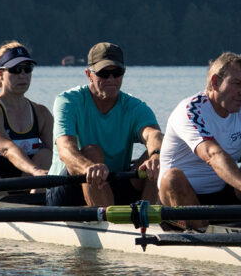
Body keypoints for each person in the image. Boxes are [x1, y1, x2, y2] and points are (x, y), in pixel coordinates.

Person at [158, 52, 241, 230]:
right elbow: (212, 154)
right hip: (181, 197)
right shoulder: (190, 111)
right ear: (215, 82)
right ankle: (202, 233)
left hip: (223, 192)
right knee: (172, 178)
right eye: (236, 84)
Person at [46, 42, 163, 207]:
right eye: (103, 74)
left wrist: (156, 156)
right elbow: (65, 150)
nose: (111, 79)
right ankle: (109, 221)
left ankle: (148, 218)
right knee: (92, 152)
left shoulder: (135, 107)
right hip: (68, 187)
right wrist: (89, 168)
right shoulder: (68, 101)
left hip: (112, 184)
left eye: (117, 73)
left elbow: (154, 135)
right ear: (89, 74)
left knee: (161, 153)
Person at [0, 42, 54, 202]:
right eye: (16, 70)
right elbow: (6, 148)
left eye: (28, 69)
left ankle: (35, 207)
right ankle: (2, 210)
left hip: (21, 182)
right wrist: (34, 170)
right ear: (0, 73)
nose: (23, 75)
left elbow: (59, 151)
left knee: (47, 154)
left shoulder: (41, 113)